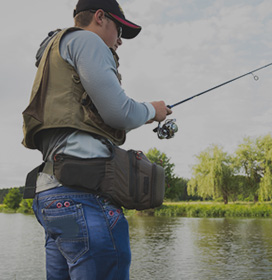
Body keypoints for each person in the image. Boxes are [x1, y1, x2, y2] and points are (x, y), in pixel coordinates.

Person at [22, 0, 172, 279]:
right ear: (100, 17)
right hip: (84, 199)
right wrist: (154, 110)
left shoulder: (53, 52)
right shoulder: (88, 41)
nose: (120, 41)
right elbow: (119, 112)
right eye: (119, 29)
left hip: (52, 199)